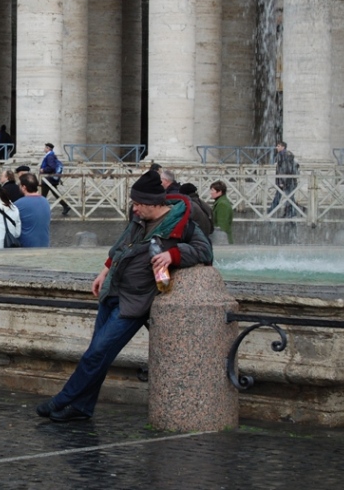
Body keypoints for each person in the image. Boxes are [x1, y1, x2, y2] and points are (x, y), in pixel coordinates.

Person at [35, 170, 213, 422]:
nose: (135, 208)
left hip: (135, 303)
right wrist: (104, 270)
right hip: (113, 291)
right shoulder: (138, 218)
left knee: (96, 353)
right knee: (98, 354)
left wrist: (172, 255)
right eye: (134, 203)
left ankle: (62, 399)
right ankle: (82, 407)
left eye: (139, 204)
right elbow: (121, 244)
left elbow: (205, 250)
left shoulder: (181, 222)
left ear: (154, 203)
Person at [14, 173, 52, 248]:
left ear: (23, 187)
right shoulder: (45, 201)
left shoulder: (18, 204)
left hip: (26, 246)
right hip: (44, 244)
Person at [40, 142, 69, 216]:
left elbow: (51, 167)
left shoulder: (50, 156)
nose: (44, 149)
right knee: (55, 193)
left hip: (48, 179)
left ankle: (41, 210)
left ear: (48, 148)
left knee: (43, 196)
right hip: (50, 179)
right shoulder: (51, 155)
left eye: (45, 147)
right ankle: (65, 206)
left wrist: (43, 170)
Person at [271, 141, 298, 218]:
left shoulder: (283, 155)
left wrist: (283, 181)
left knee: (287, 198)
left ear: (283, 147)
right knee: (288, 198)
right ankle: (290, 214)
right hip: (288, 180)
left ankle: (271, 212)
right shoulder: (286, 154)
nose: (277, 147)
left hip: (286, 181)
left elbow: (286, 169)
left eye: (278, 146)